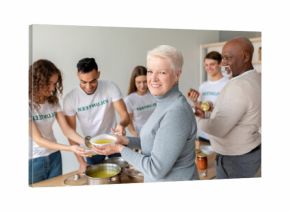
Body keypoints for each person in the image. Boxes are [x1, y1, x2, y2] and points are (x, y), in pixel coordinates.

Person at [93, 45, 198, 182]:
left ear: (177, 75)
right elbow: (154, 142)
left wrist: (119, 149)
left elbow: (155, 170)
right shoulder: (164, 103)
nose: (153, 79)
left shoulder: (176, 112)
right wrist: (124, 141)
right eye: (150, 71)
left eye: (162, 73)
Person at [196, 37, 261, 179]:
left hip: (236, 160)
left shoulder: (238, 85)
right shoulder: (257, 78)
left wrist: (199, 118)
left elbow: (217, 128)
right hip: (249, 154)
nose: (223, 63)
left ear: (245, 57)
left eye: (227, 58)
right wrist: (211, 113)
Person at [63, 57, 130, 172]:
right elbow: (70, 133)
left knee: (122, 175)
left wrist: (122, 125)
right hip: (92, 147)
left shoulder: (110, 87)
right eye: (83, 82)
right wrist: (81, 162)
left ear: (98, 74)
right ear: (78, 75)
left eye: (92, 81)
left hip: (114, 141)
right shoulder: (70, 99)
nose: (88, 87)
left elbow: (125, 115)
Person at [29, 59, 86, 185]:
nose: (53, 88)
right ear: (37, 82)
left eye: (55, 83)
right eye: (49, 83)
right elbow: (39, 140)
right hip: (33, 161)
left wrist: (86, 142)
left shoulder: (52, 101)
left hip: (54, 157)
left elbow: (67, 130)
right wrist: (71, 148)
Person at [187, 51, 229, 144]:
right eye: (206, 65)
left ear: (220, 64)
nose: (208, 68)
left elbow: (230, 110)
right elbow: (200, 108)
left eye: (212, 64)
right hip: (203, 133)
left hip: (219, 134)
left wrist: (212, 108)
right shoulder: (203, 86)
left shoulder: (228, 84)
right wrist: (194, 102)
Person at [125, 65, 156, 137]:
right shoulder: (129, 99)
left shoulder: (155, 94)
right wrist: (135, 134)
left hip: (157, 131)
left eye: (145, 82)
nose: (142, 85)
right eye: (139, 82)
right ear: (134, 82)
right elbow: (129, 122)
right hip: (141, 135)